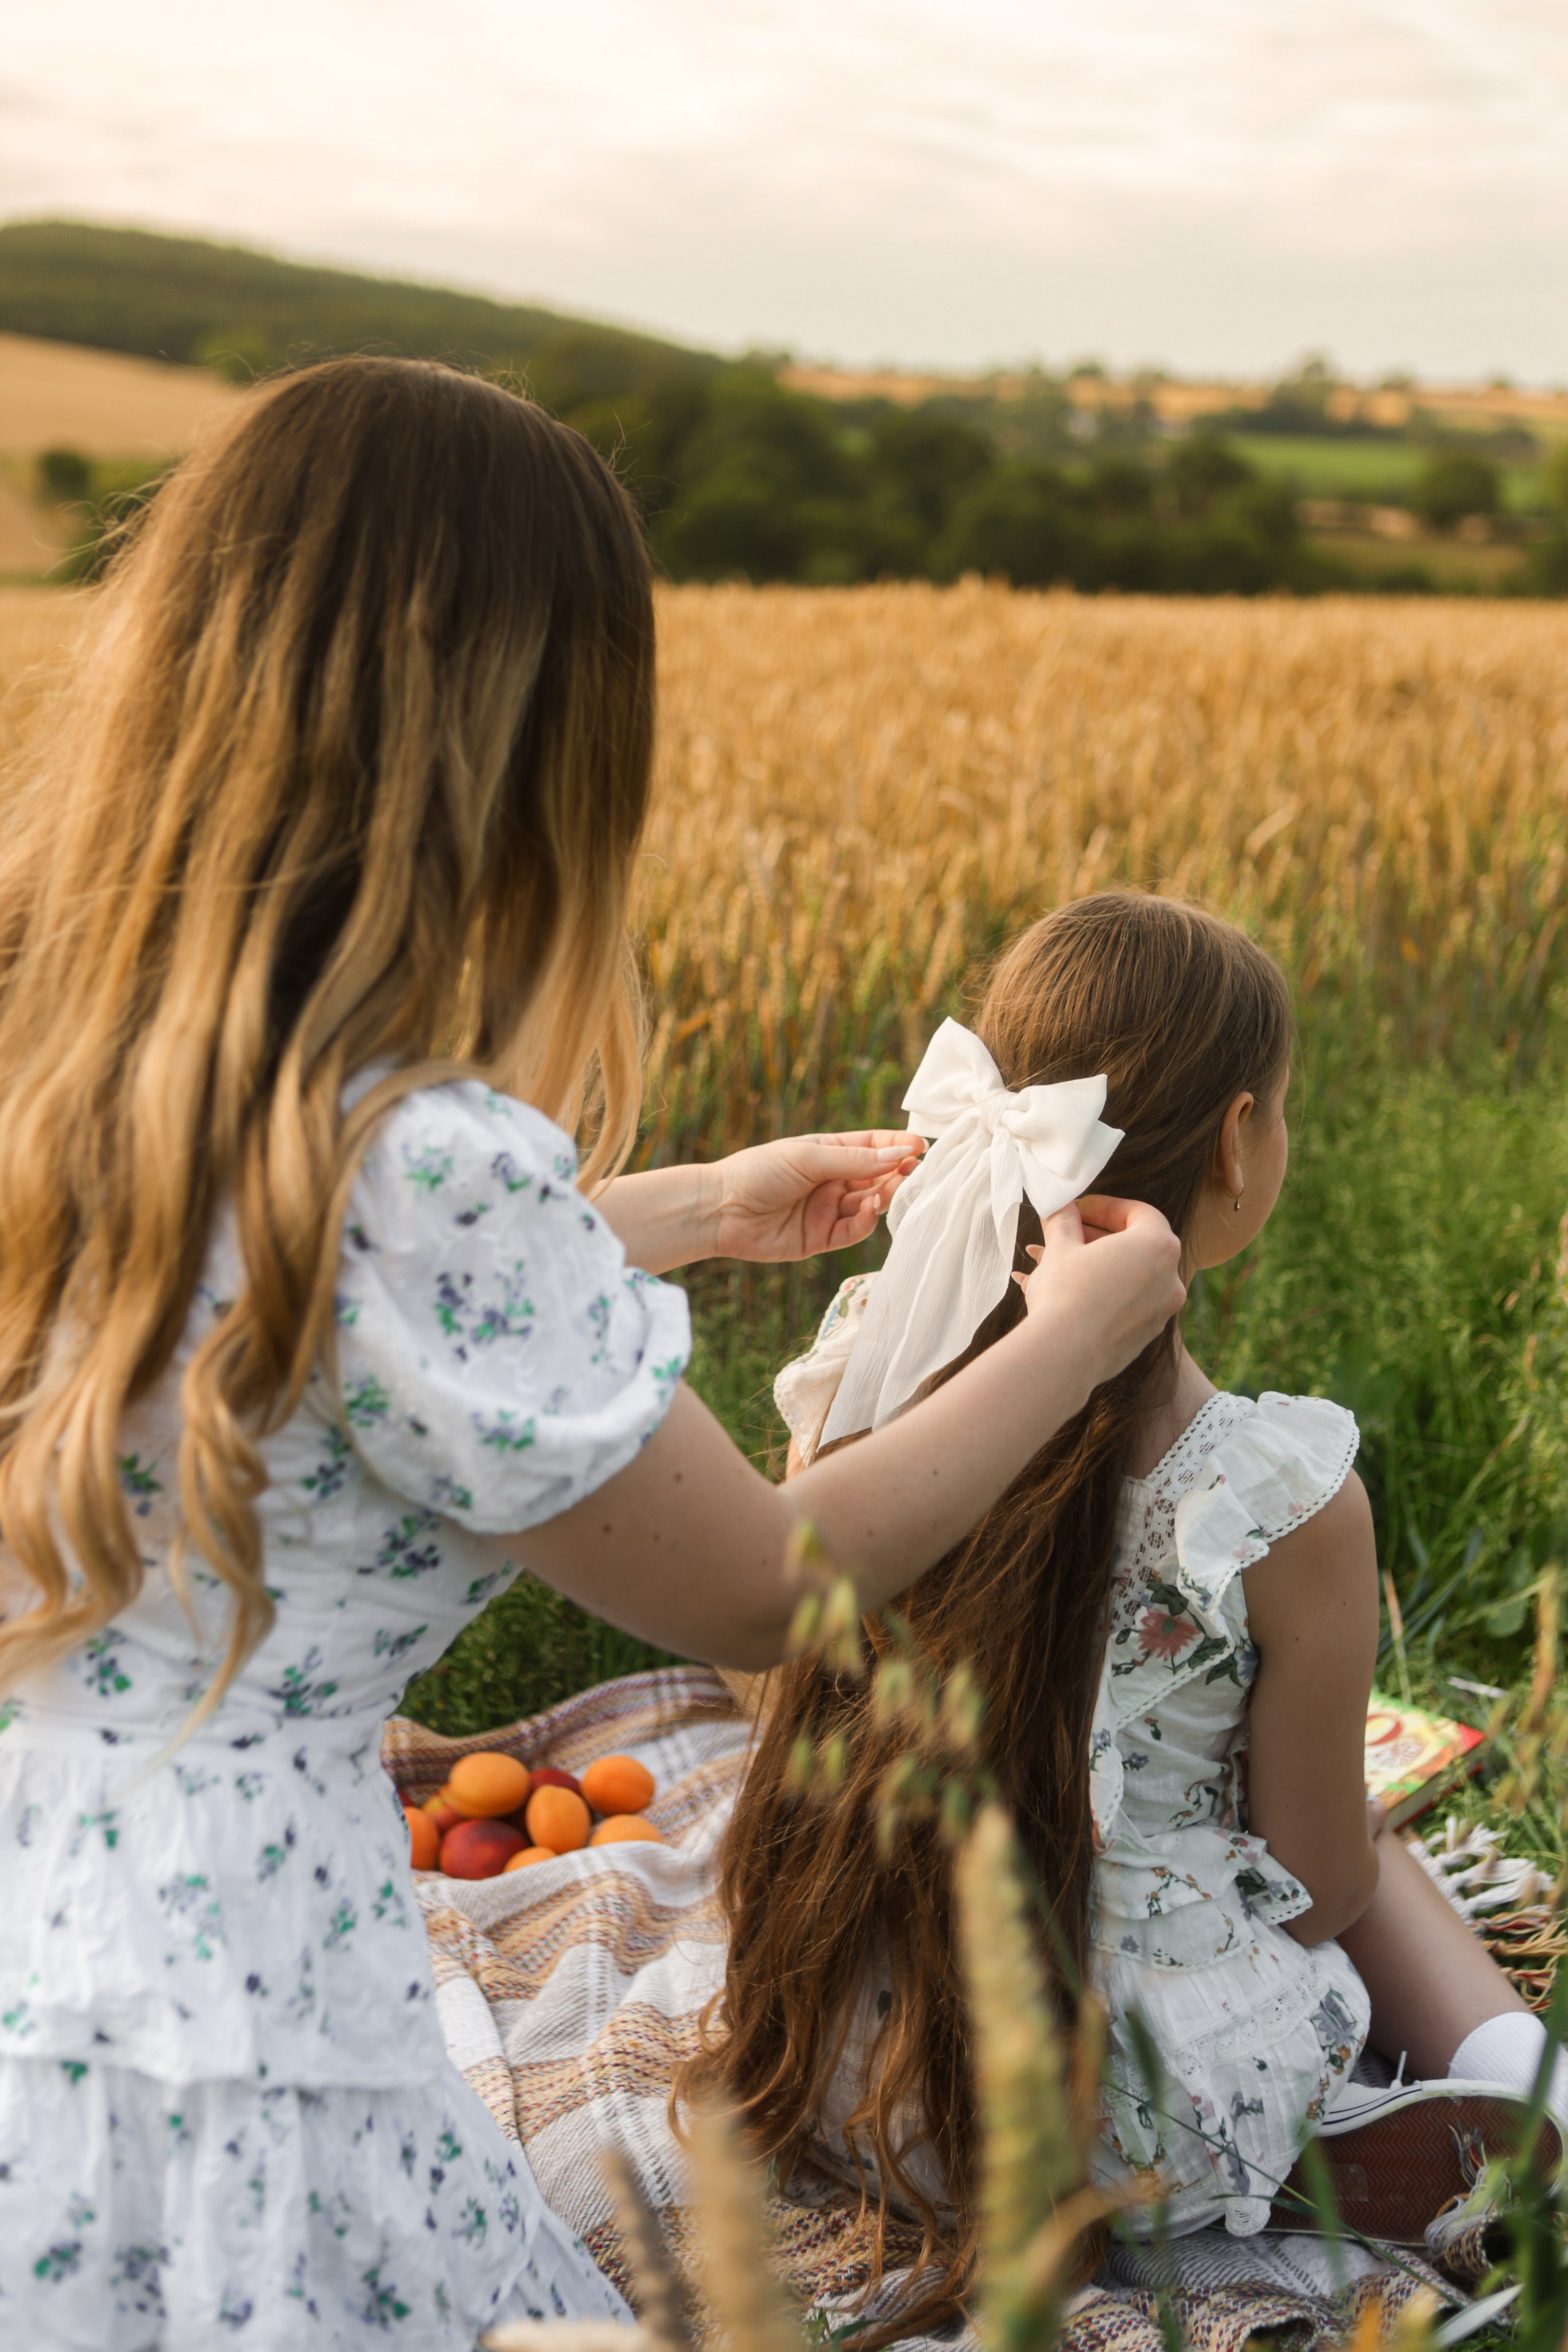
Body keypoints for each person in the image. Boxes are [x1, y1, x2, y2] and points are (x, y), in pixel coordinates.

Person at [0, 362, 1184, 2352]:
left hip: (53, 1884)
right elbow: (763, 1577)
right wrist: (1072, 1339)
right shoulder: (431, 1165)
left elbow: (261, 1300)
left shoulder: (76, 1050)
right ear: (528, 749)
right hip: (252, 1988)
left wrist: (695, 1205)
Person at [688, 890, 1562, 2341]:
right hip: (1123, 2101)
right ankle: (1508, 2088)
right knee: (1365, 1822)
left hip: (854, 2056)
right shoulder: (1274, 1494)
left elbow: (781, 1678)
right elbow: (1313, 1882)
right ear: (1234, 1143)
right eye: (1278, 1111)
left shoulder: (861, 1381)